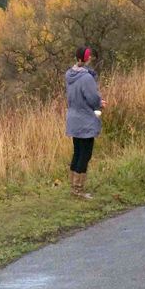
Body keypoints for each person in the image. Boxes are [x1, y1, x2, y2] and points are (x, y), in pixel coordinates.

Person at [65, 46, 104, 199]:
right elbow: (93, 98)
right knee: (85, 154)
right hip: (85, 119)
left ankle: (73, 187)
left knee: (77, 152)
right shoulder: (87, 78)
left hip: (73, 118)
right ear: (87, 58)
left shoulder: (69, 74)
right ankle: (78, 190)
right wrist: (100, 103)